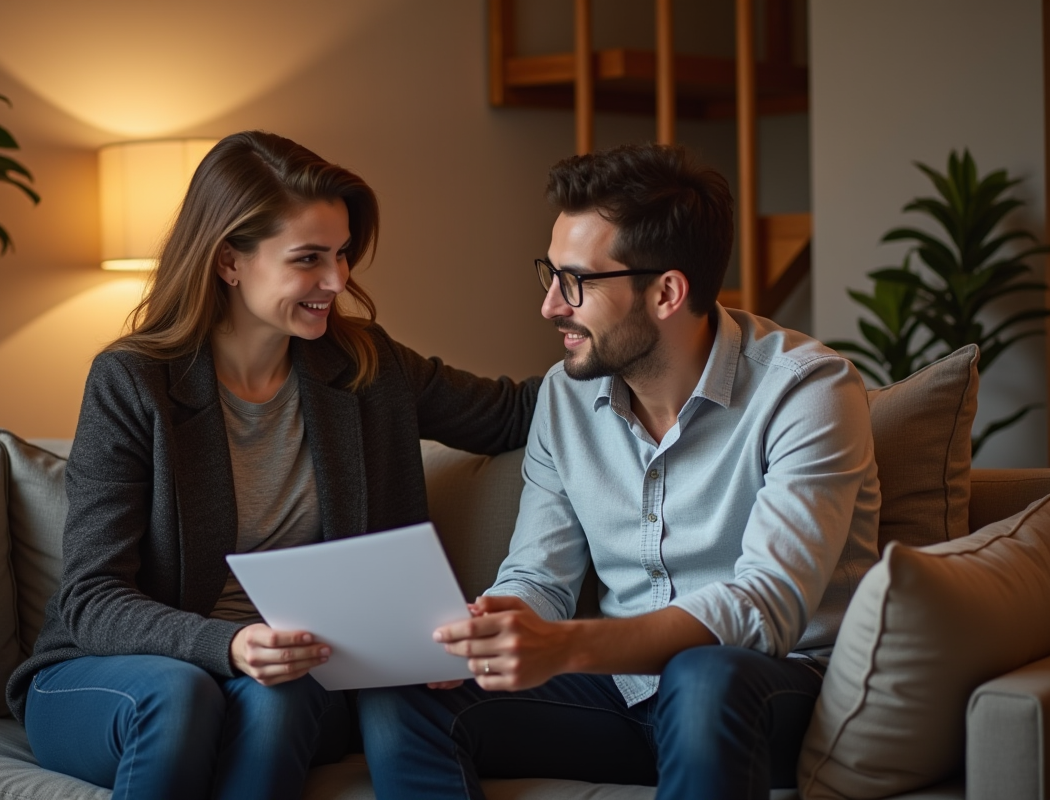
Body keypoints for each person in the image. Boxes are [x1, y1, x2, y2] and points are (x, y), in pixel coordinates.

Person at [4, 130, 540, 800]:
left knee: (282, 693)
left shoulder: (366, 367)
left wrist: (641, 339)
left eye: (341, 255)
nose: (337, 281)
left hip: (294, 674)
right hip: (114, 675)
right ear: (230, 261)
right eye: (308, 259)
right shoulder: (133, 382)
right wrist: (227, 647)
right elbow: (91, 598)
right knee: (180, 697)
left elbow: (515, 412)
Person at [358, 142, 880, 800]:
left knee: (704, 675)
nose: (550, 305)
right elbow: (539, 575)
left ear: (666, 291)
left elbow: (763, 608)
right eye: (548, 274)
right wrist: (498, 624)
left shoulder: (808, 390)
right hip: (627, 697)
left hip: (774, 694)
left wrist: (569, 647)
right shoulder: (564, 395)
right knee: (405, 691)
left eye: (574, 281)